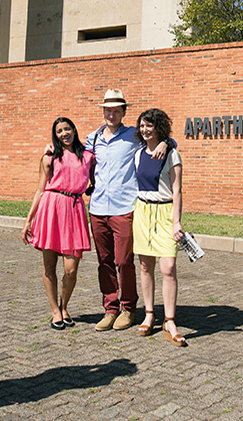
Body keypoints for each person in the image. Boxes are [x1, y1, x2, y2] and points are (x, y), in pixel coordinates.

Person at [84, 89, 174, 331]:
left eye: (116, 111)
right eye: (107, 110)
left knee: (124, 261)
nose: (111, 115)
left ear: (123, 112)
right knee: (104, 261)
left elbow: (161, 140)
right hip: (98, 208)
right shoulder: (93, 138)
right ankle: (110, 308)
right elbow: (75, 156)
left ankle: (128, 308)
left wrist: (167, 142)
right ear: (103, 111)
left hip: (124, 208)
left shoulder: (133, 136)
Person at [21, 117, 95, 330]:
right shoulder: (49, 157)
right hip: (51, 209)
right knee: (49, 265)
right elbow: (40, 190)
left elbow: (96, 180)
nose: (64, 133)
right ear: (55, 135)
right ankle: (55, 310)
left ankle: (64, 306)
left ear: (74, 130)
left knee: (71, 270)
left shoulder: (88, 156)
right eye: (59, 131)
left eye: (67, 129)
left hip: (74, 209)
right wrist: (28, 221)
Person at [131, 108, 187, 346]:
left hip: (165, 213)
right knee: (145, 267)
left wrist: (176, 222)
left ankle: (170, 321)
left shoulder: (172, 154)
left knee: (169, 267)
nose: (145, 130)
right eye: (142, 125)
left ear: (159, 127)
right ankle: (149, 314)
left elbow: (177, 190)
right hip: (143, 212)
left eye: (150, 125)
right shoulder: (137, 153)